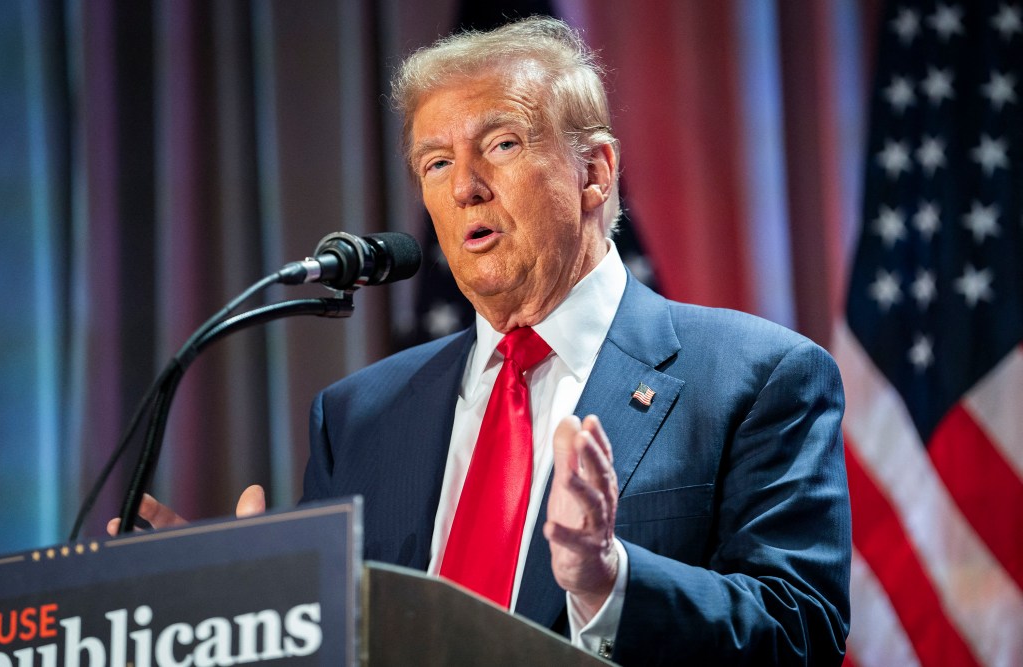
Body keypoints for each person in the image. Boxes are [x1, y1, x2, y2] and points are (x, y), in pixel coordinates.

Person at [113, 17, 851, 665]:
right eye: (436, 163)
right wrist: (252, 606)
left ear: (594, 172)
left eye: (500, 143)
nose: (465, 186)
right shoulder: (357, 416)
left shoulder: (757, 378)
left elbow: (802, 632)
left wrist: (607, 578)